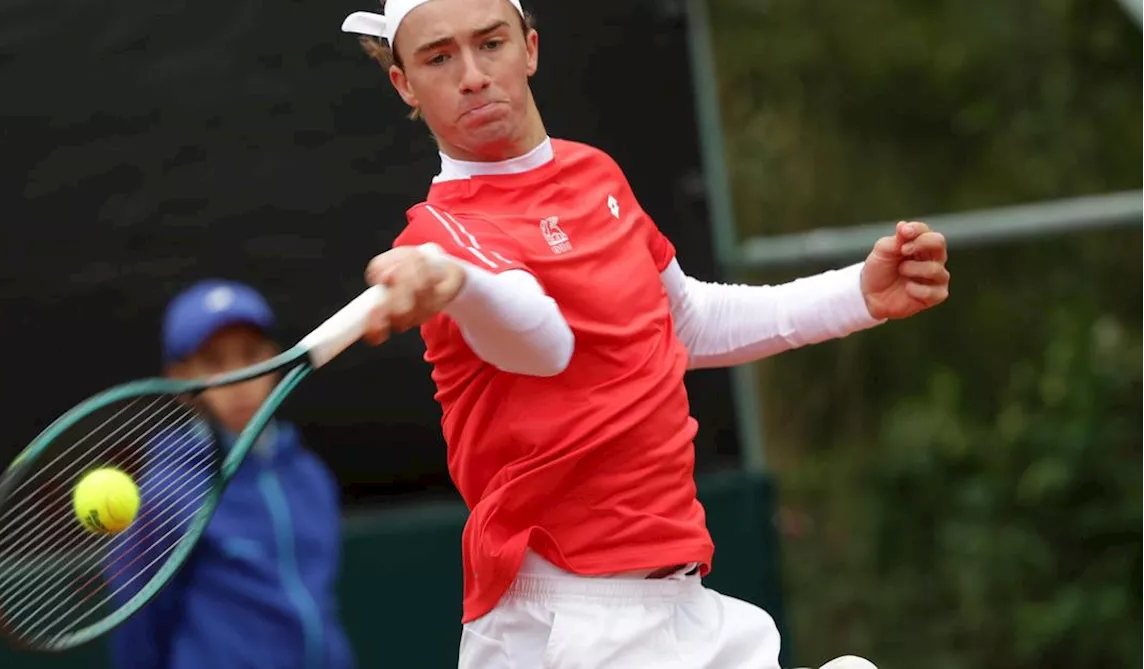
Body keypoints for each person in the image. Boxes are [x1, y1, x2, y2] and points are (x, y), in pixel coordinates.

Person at [340, 1, 952, 668]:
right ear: (404, 83)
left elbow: (685, 324)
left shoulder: (595, 174)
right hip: (564, 619)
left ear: (531, 49)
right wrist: (451, 281)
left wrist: (857, 295)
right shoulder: (438, 236)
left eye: (490, 44)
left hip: (681, 602)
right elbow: (543, 341)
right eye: (438, 57)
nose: (472, 75)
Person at [107, 280, 354, 669]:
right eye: (214, 361)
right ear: (181, 380)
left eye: (250, 355)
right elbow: (139, 626)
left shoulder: (311, 477)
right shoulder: (165, 494)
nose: (238, 378)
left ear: (273, 360)